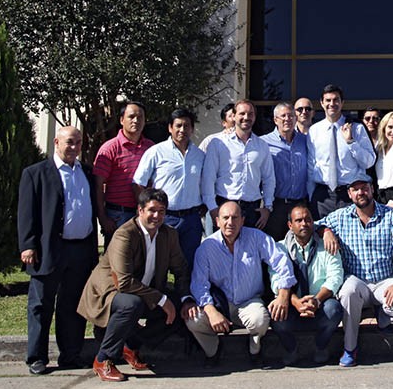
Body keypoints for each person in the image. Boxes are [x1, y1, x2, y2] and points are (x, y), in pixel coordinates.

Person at [77, 188, 190, 383]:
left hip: (144, 291)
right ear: (140, 210)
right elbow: (124, 282)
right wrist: (161, 299)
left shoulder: (169, 234)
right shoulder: (125, 234)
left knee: (182, 308)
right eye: (152, 210)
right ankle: (103, 359)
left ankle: (131, 345)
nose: (157, 216)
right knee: (132, 304)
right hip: (110, 293)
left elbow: (181, 269)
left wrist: (186, 300)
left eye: (161, 211)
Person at [17, 126, 98, 375]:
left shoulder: (86, 172)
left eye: (78, 143)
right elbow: (26, 212)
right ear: (56, 142)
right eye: (70, 142)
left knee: (72, 305)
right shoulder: (36, 173)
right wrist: (28, 245)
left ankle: (70, 355)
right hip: (49, 250)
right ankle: (36, 357)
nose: (74, 147)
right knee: (41, 305)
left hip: (80, 249)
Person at [185, 201, 296, 368]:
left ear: (242, 220)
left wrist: (283, 294)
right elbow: (199, 284)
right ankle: (212, 351)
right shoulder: (206, 247)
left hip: (249, 301)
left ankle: (254, 350)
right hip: (220, 304)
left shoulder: (256, 237)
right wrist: (211, 311)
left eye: (235, 217)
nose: (230, 222)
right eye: (226, 218)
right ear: (217, 221)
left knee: (260, 320)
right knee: (193, 320)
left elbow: (281, 261)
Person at [318, 179, 393, 367]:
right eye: (355, 189)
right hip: (357, 281)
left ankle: (383, 316)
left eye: (364, 188)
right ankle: (350, 347)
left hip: (385, 280)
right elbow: (315, 225)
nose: (360, 193)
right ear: (349, 194)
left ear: (372, 190)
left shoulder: (391, 216)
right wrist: (326, 231)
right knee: (348, 292)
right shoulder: (340, 216)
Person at [133, 107, 209, 274]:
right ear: (170, 128)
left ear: (192, 129)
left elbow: (205, 184)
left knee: (188, 265)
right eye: (178, 125)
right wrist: (146, 210)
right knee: (158, 263)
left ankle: (184, 291)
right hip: (164, 217)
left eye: (187, 126)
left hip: (191, 219)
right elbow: (138, 183)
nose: (182, 130)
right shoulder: (156, 152)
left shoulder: (200, 156)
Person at [270, 203, 345, 365]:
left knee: (334, 310)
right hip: (292, 304)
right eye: (298, 220)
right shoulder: (279, 248)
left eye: (308, 220)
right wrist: (296, 302)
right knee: (276, 313)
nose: (304, 224)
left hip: (319, 303)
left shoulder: (327, 245)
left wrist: (316, 300)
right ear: (290, 225)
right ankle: (290, 348)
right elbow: (276, 280)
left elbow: (335, 277)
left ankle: (321, 345)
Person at [201, 99, 276, 229]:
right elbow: (208, 178)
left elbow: (269, 178)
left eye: (250, 114)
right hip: (224, 207)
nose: (246, 117)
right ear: (234, 116)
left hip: (252, 210)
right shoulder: (218, 143)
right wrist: (212, 208)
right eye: (242, 113)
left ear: (255, 117)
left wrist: (267, 207)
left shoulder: (262, 146)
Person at [307, 84, 376, 219]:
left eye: (336, 100)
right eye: (328, 100)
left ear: (342, 102)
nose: (332, 104)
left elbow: (369, 162)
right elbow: (311, 166)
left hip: (350, 194)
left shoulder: (356, 128)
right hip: (323, 196)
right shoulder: (314, 131)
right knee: (323, 232)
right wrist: (311, 196)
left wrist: (351, 142)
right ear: (322, 103)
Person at [94, 101, 155, 247]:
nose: (136, 121)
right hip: (117, 215)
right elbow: (98, 186)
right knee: (118, 258)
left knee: (142, 257)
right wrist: (102, 217)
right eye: (131, 117)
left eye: (140, 117)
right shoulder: (109, 149)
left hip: (143, 214)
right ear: (122, 120)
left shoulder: (151, 148)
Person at [263, 102, 312, 240]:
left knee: (301, 244)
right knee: (275, 244)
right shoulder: (264, 142)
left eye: (290, 116)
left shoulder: (305, 141)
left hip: (301, 204)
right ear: (275, 120)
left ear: (295, 119)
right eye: (283, 116)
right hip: (276, 205)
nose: (287, 119)